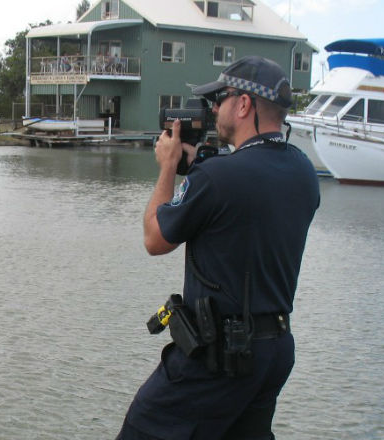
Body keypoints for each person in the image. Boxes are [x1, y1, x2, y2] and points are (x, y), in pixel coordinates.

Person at [117, 56, 320, 439]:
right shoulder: (303, 171)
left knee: (142, 429)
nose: (213, 109)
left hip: (219, 358)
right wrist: (195, 164)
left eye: (220, 99)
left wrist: (167, 166)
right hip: (272, 351)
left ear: (243, 105)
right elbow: (248, 186)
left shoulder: (218, 178)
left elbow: (154, 238)